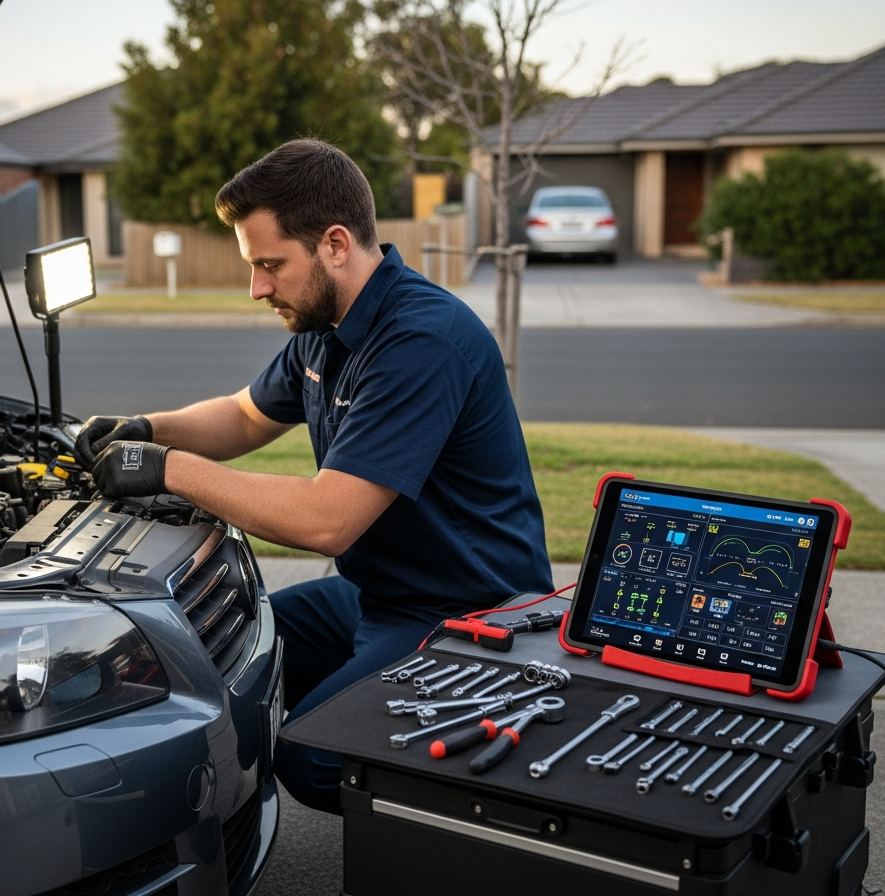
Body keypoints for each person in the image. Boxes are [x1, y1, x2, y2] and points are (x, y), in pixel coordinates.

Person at [74, 139, 552, 813]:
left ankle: (475, 821)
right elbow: (243, 417)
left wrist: (167, 470)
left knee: (312, 756)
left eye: (270, 264)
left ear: (334, 244)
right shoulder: (326, 326)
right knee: (214, 648)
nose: (257, 287)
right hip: (381, 595)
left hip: (470, 615)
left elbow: (327, 520)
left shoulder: (420, 341)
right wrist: (146, 429)